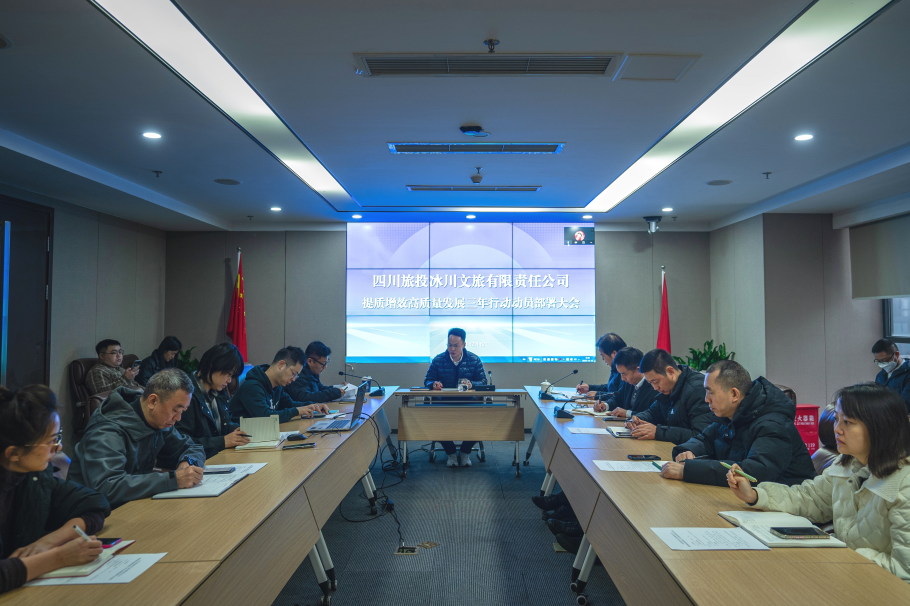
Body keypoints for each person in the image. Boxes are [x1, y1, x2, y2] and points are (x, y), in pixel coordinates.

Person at [727, 383, 910, 584]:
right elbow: (809, 498)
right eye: (836, 419)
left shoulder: (905, 484)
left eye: (848, 422)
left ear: (880, 427)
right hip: (846, 578)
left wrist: (843, 557)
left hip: (879, 588)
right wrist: (755, 495)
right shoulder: (847, 464)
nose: (837, 429)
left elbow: (903, 571)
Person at [0, 385, 111, 594]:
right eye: (51, 441)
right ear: (13, 453)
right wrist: (58, 557)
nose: (58, 447)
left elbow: (95, 505)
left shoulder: (33, 477)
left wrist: (49, 542)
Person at [660, 360, 816, 486]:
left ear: (734, 394)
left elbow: (753, 473)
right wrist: (689, 451)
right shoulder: (728, 415)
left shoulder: (773, 425)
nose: (706, 399)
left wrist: (689, 470)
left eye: (711, 392)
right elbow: (705, 439)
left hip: (785, 506)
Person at [68, 369, 206, 508]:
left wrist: (187, 462)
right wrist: (173, 480)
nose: (179, 418)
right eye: (175, 410)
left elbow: (193, 447)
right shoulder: (106, 431)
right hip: (89, 513)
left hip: (132, 505)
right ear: (152, 401)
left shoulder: (158, 421)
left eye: (183, 411)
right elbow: (107, 487)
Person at [423, 327, 487, 467]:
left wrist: (472, 384)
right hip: (444, 403)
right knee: (437, 423)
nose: (452, 349)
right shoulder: (438, 360)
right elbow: (427, 380)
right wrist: (433, 384)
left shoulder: (474, 359)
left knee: (480, 421)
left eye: (456, 345)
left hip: (469, 403)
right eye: (449, 345)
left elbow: (483, 382)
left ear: (464, 344)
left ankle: (465, 452)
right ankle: (451, 453)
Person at [175, 343, 249, 459]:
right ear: (211, 366)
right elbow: (181, 442)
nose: (229, 380)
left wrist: (237, 430)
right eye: (228, 374)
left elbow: (223, 424)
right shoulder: (187, 395)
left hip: (219, 457)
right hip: (196, 462)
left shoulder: (219, 392)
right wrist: (222, 441)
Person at [625, 349, 714, 444]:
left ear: (670, 372)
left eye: (656, 382)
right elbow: (653, 412)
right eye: (651, 383)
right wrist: (637, 419)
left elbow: (701, 435)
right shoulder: (668, 388)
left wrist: (658, 432)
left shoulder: (696, 389)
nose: (655, 388)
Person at [228, 346, 329, 424]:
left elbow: (289, 404)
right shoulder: (252, 387)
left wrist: (313, 406)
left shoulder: (277, 386)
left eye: (296, 376)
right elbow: (265, 417)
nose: (294, 379)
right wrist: (297, 411)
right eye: (293, 374)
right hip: (243, 438)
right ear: (281, 365)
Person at [591, 347, 656, 417]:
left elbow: (652, 414)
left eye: (624, 374)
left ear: (638, 370)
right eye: (620, 374)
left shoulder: (654, 387)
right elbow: (618, 399)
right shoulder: (628, 382)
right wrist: (605, 405)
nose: (622, 378)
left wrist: (628, 413)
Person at [576, 333, 627, 399]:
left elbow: (620, 396)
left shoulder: (625, 370)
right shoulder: (615, 368)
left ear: (614, 354)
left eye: (603, 356)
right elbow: (611, 388)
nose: (603, 359)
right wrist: (589, 388)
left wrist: (598, 395)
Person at [872, 339, 910, 413]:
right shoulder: (880, 376)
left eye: (885, 360)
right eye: (878, 361)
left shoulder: (907, 373)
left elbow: (905, 404)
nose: (882, 364)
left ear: (897, 355)